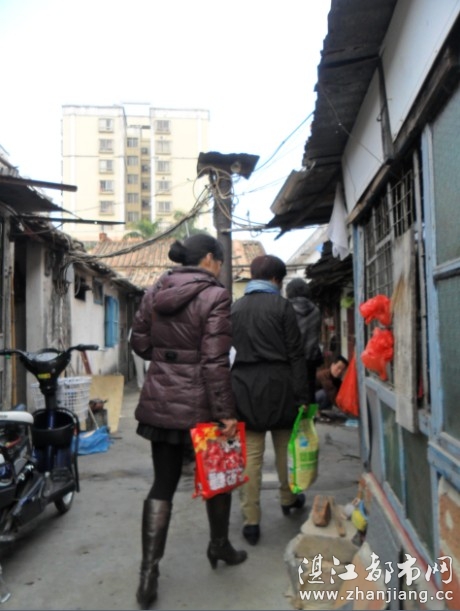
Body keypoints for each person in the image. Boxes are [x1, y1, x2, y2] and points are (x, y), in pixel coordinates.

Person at [130, 234, 247, 609]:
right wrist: (225, 412)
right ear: (210, 259)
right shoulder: (215, 296)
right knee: (217, 480)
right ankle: (219, 545)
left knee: (162, 484)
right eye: (221, 262)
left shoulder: (155, 291)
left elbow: (139, 343)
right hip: (202, 408)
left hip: (161, 401)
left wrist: (169, 359)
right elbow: (214, 360)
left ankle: (148, 574)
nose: (221, 268)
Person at [231, 255, 310, 546]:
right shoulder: (282, 307)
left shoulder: (235, 308)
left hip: (244, 387)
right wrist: (303, 395)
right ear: (276, 279)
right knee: (285, 450)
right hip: (281, 387)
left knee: (251, 457)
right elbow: (296, 354)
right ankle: (288, 499)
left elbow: (228, 353)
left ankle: (251, 520)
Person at [285, 278, 323, 403]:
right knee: (309, 393)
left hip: (291, 360)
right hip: (310, 360)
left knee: (291, 395)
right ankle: (309, 415)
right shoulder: (316, 310)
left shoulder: (286, 309)